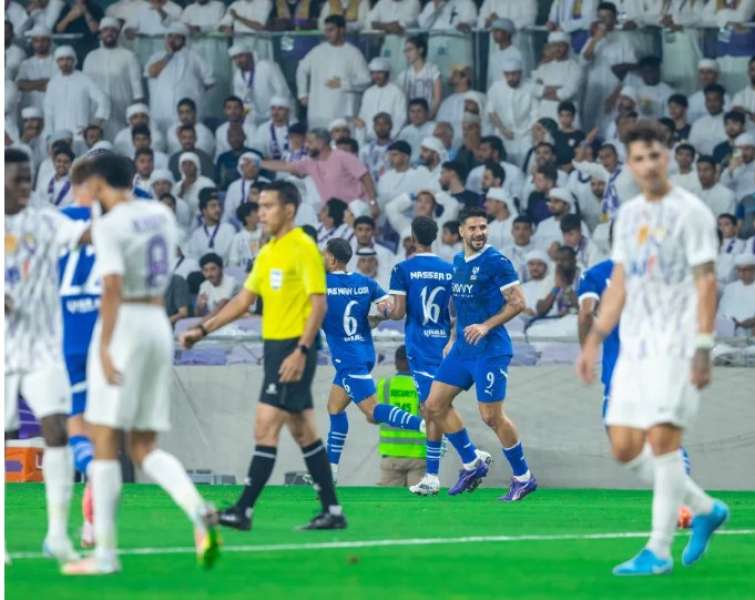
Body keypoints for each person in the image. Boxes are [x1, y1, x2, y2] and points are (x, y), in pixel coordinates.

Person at [576, 120, 728, 576]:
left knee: (663, 442)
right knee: (623, 446)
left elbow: (707, 283)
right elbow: (619, 282)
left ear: (668, 155)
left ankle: (658, 549)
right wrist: (594, 339)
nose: (647, 164)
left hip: (676, 344)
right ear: (630, 164)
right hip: (633, 349)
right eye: (638, 158)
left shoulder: (692, 213)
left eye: (654, 155)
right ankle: (705, 508)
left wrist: (703, 346)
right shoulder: (630, 216)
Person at [61, 153, 220, 575]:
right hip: (157, 325)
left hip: (126, 323)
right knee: (145, 446)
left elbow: (111, 285)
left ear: (97, 183)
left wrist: (105, 346)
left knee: (105, 443)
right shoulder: (159, 214)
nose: (81, 194)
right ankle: (197, 508)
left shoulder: (112, 225)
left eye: (84, 186)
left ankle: (105, 554)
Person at [179, 180, 346, 531]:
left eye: (269, 205)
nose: (262, 212)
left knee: (265, 424)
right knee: (304, 433)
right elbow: (242, 301)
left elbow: (319, 303)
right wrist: (203, 329)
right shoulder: (268, 251)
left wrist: (302, 349)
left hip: (293, 348)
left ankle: (244, 509)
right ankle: (332, 510)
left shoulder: (303, 247)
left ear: (289, 209)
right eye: (260, 206)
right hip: (275, 348)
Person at [425, 206, 537, 500]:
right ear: (461, 231)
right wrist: (452, 337)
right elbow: (460, 305)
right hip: (463, 349)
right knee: (434, 405)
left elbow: (518, 302)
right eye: (473, 228)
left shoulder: (497, 261)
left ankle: (524, 477)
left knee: (491, 416)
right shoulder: (459, 260)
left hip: (491, 349)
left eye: (483, 228)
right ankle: (473, 462)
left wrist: (486, 326)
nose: (479, 233)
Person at [322, 238, 424, 480]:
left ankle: (424, 425)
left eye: (325, 255)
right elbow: (388, 308)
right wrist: (377, 317)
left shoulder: (321, 285)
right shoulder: (365, 282)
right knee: (334, 408)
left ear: (333, 259)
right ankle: (330, 471)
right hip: (364, 353)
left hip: (348, 359)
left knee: (372, 410)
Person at [386, 216, 453, 495]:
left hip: (420, 345)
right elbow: (455, 312)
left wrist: (381, 312)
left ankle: (471, 456)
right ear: (435, 236)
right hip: (445, 346)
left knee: (432, 407)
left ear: (412, 237)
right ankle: (433, 474)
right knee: (432, 407)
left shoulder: (403, 268)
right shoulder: (450, 270)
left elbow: (399, 312)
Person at [261, 129, 378, 212]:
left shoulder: (343, 157)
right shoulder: (309, 162)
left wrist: (372, 203)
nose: (306, 145)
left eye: (310, 142)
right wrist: (259, 163)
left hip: (356, 208)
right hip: (333, 212)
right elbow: (286, 166)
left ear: (322, 142)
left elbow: (365, 176)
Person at [295, 15, 370, 128]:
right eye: (326, 30)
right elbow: (301, 69)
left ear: (342, 30)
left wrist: (343, 83)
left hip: (342, 113)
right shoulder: (318, 51)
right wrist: (302, 94)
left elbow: (366, 80)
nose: (327, 34)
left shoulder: (353, 53)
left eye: (331, 30)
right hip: (317, 112)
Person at [144, 22, 215, 133]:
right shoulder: (157, 56)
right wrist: (168, 55)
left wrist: (195, 93)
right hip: (162, 111)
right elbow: (152, 73)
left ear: (184, 40)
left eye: (177, 37)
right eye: (170, 36)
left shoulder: (194, 57)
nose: (172, 40)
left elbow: (210, 81)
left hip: (187, 113)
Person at [579, 2, 637, 133]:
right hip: (594, 89)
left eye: (607, 16)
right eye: (600, 17)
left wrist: (615, 95)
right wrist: (595, 40)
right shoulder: (593, 38)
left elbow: (629, 70)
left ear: (615, 18)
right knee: (589, 125)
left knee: (609, 126)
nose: (603, 20)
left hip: (614, 90)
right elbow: (583, 61)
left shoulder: (624, 39)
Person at [376, 345, 427, 487]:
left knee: (389, 504)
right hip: (419, 454)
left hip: (391, 455)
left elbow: (372, 416)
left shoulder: (384, 385)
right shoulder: (424, 385)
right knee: (417, 502)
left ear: (397, 362)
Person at [43, 45, 110, 142]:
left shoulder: (84, 79)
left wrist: (95, 124)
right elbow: (48, 111)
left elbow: (103, 100)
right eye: (61, 59)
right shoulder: (53, 82)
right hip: (59, 134)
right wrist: (49, 133)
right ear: (57, 62)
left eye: (68, 59)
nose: (65, 63)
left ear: (74, 60)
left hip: (80, 135)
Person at [486, 57, 536, 167]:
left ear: (520, 73)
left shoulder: (530, 87)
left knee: (527, 163)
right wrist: (503, 129)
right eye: (507, 75)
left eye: (514, 74)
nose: (511, 78)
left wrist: (528, 131)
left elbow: (535, 114)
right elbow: (491, 112)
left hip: (525, 135)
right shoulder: (496, 87)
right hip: (502, 134)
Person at [228, 45, 292, 127]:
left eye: (241, 56)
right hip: (255, 119)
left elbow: (283, 91)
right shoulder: (237, 76)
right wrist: (246, 116)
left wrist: (275, 112)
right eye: (234, 58)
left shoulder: (267, 66)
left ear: (250, 55)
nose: (238, 61)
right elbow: (241, 101)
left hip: (277, 115)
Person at [532, 31, 583, 124]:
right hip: (545, 113)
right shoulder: (543, 66)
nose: (557, 49)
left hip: (567, 115)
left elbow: (566, 93)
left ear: (567, 47)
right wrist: (557, 88)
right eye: (554, 45)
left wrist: (544, 91)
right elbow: (534, 90)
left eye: (561, 45)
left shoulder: (575, 67)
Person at [356, 58, 407, 141]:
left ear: (387, 74)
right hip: (369, 138)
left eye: (380, 73)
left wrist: (390, 137)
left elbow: (401, 118)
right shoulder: (368, 92)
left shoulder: (397, 92)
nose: (376, 76)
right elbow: (362, 116)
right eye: (373, 73)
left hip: (390, 139)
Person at [396, 36, 442, 119]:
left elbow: (437, 99)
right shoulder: (403, 75)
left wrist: (428, 117)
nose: (407, 54)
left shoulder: (433, 70)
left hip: (430, 118)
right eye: (405, 51)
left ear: (420, 50)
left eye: (409, 50)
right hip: (411, 120)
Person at [186, 189, 236, 264]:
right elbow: (193, 258)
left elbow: (232, 257)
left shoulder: (229, 229)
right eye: (213, 206)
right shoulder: (196, 234)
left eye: (219, 206)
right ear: (204, 210)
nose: (218, 209)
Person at [15, 25, 55, 112]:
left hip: (52, 108)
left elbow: (55, 85)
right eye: (36, 41)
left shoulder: (57, 62)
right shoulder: (26, 63)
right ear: (32, 43)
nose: (40, 44)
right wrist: (44, 82)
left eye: (43, 40)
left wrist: (30, 85)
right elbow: (20, 84)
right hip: (30, 107)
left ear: (49, 42)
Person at [717, 253, 755, 337]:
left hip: (750, 335)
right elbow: (721, 313)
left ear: (753, 270)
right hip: (727, 333)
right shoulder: (730, 288)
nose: (741, 273)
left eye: (745, 270)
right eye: (739, 270)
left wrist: (750, 322)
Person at [689, 84, 728, 157]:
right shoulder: (698, 124)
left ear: (723, 101)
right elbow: (692, 148)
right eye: (708, 100)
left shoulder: (731, 122)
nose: (711, 104)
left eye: (715, 100)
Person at [196, 253, 239, 317]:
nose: (209, 274)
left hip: (237, 320)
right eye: (205, 270)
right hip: (217, 321)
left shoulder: (231, 282)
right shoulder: (204, 285)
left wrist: (200, 326)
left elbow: (221, 308)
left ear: (221, 269)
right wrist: (200, 307)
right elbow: (199, 315)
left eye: (213, 269)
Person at [252, 96, 295, 160]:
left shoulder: (295, 127)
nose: (275, 112)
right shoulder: (262, 129)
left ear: (287, 111)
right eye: (273, 108)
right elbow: (258, 152)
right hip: (270, 166)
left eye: (280, 109)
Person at [228, 202, 262, 269]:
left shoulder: (264, 233)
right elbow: (233, 261)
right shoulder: (238, 238)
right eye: (256, 212)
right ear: (247, 217)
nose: (259, 214)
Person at [503, 216, 537, 282]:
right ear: (512, 231)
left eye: (525, 228)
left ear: (532, 232)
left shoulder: (539, 252)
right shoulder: (503, 254)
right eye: (517, 228)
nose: (521, 233)